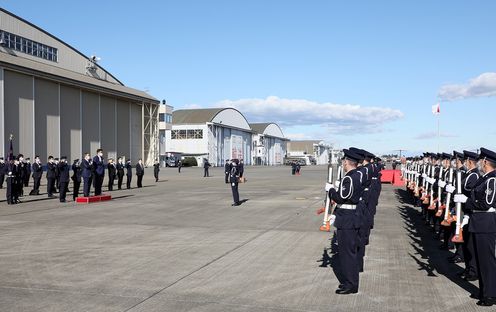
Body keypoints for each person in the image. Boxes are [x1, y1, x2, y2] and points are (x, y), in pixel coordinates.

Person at [454, 147, 496, 306]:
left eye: (480, 160)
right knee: (479, 259)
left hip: (486, 223)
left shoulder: (492, 179)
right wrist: (467, 214)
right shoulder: (482, 178)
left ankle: (491, 294)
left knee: (487, 261)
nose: (478, 163)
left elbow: (487, 203)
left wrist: (466, 201)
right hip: (477, 221)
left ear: (485, 161)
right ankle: (484, 291)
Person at [326, 148, 364, 295]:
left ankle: (351, 284)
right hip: (349, 216)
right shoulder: (355, 176)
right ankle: (350, 281)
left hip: (347, 219)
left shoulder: (349, 177)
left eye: (344, 161)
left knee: (347, 254)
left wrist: (330, 190)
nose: (343, 163)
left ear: (347, 162)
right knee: (349, 253)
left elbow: (341, 197)